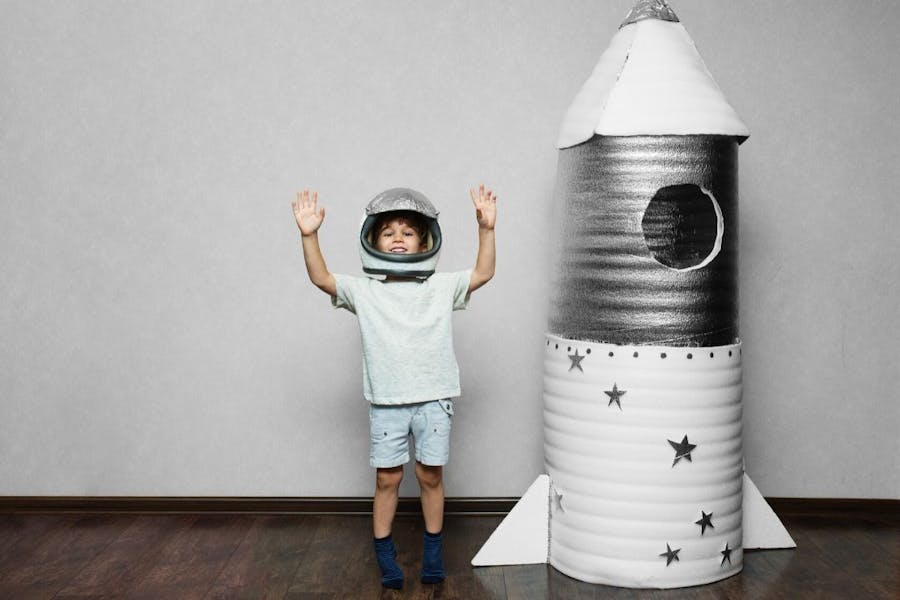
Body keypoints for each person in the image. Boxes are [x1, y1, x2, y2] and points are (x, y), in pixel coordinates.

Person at [291, 185, 497, 589]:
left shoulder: (441, 287)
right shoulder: (364, 291)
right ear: (373, 240)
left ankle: (433, 553)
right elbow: (321, 278)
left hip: (434, 400)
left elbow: (483, 273)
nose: (398, 238)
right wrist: (308, 235)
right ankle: (386, 555)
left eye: (407, 231)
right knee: (387, 479)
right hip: (387, 403)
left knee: (430, 476)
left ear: (424, 240)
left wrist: (487, 229)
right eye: (388, 232)